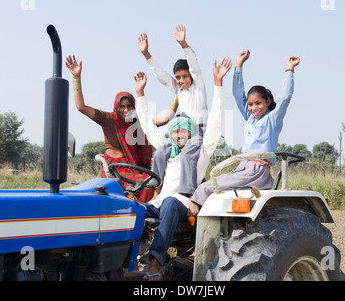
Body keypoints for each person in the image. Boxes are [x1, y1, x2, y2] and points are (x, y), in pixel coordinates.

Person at [133, 57, 232, 281]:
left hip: (183, 204)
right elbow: (148, 128)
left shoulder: (200, 152)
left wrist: (218, 85)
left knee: (168, 202)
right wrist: (140, 95)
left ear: (191, 132)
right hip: (161, 203)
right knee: (132, 207)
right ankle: (125, 259)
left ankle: (155, 263)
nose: (179, 135)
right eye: (175, 131)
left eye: (184, 131)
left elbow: (215, 121)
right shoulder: (167, 151)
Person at [189, 51, 301, 215]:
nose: (254, 108)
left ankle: (192, 213)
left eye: (258, 103)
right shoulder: (250, 118)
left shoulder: (272, 120)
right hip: (242, 166)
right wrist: (239, 66)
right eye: (250, 104)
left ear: (267, 102)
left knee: (205, 188)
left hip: (257, 170)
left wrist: (289, 70)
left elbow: (284, 98)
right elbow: (237, 94)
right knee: (212, 186)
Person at [65, 55, 155, 202]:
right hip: (115, 169)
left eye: (129, 106)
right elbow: (81, 107)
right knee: (147, 184)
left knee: (153, 183)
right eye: (122, 106)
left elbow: (159, 121)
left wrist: (179, 94)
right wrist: (76, 78)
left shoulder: (136, 124)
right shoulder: (108, 119)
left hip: (132, 168)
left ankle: (150, 213)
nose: (125, 110)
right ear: (116, 107)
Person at [138, 24, 207, 197]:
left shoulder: (198, 87)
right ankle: (156, 187)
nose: (182, 80)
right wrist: (146, 54)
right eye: (178, 77)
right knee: (161, 152)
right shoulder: (178, 89)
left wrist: (184, 44)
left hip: (198, 128)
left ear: (191, 76)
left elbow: (195, 66)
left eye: (185, 76)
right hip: (181, 129)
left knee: (187, 155)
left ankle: (187, 193)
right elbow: (161, 76)